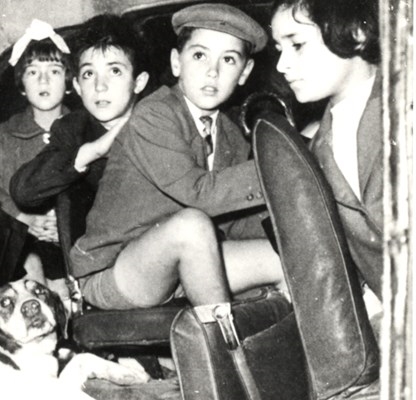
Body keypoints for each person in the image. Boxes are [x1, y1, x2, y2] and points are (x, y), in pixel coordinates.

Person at [70, 3, 284, 310]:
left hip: (189, 261)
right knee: (191, 225)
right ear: (176, 62)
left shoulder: (230, 134)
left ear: (245, 73)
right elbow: (200, 195)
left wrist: (288, 227)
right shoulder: (154, 115)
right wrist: (278, 168)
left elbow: (235, 222)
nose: (213, 71)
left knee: (287, 257)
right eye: (199, 55)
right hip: (118, 268)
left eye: (229, 59)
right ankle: (223, 347)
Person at [271, 0, 382, 307]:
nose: (282, 65)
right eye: (279, 48)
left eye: (297, 44)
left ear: (358, 32)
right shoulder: (320, 146)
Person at [9, 14, 150, 223]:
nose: (100, 86)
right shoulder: (73, 129)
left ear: (138, 82)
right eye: (89, 74)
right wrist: (92, 151)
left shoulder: (160, 121)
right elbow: (23, 190)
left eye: (114, 70)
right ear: (77, 87)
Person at [0, 19, 73, 283]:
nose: (43, 79)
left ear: (68, 82)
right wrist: (24, 219)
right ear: (21, 85)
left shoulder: (84, 132)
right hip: (22, 247)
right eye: (33, 72)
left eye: (54, 71)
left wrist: (68, 224)